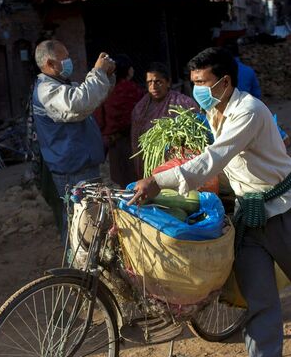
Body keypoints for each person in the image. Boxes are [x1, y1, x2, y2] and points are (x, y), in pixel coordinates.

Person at [129, 47, 291, 357]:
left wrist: (158, 181)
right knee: (258, 296)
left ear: (224, 81)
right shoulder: (213, 111)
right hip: (248, 214)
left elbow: (214, 159)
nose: (197, 89)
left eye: (202, 82)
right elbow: (205, 155)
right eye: (193, 82)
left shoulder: (247, 110)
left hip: (283, 210)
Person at [32, 40, 115, 236]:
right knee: (81, 226)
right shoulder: (47, 90)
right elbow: (79, 103)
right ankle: (77, 265)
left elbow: (92, 97)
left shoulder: (59, 85)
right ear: (51, 64)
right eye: (65, 58)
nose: (69, 62)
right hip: (72, 171)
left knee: (91, 223)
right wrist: (98, 72)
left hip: (82, 166)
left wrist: (107, 75)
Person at [130, 62, 198, 178]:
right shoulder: (141, 108)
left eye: (158, 82)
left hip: (176, 164)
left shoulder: (182, 104)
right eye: (149, 82)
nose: (153, 87)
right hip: (148, 164)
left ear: (168, 82)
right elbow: (136, 141)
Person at [94, 54, 144, 186]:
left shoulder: (107, 89)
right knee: (136, 175)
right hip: (132, 139)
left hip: (113, 140)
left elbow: (99, 115)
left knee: (121, 177)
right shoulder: (134, 90)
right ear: (129, 70)